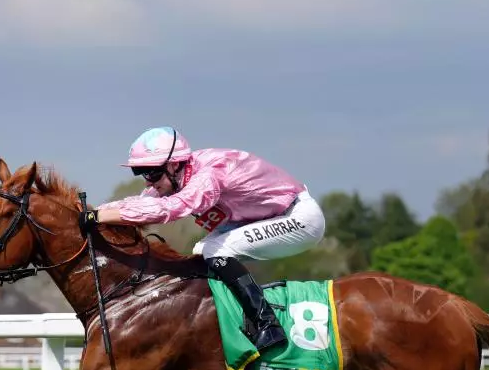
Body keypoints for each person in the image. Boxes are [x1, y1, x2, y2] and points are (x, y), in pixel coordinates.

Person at [80, 126, 326, 352]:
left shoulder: (208, 176)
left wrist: (100, 216)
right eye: (141, 172)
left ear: (175, 165)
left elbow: (169, 210)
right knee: (201, 252)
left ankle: (267, 324)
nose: (147, 180)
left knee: (213, 249)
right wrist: (90, 213)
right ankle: (224, 323)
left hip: (299, 218)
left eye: (152, 173)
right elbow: (142, 203)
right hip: (267, 219)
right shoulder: (178, 175)